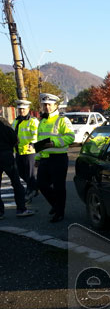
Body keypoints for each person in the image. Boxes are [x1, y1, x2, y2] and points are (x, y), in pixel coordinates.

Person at [35, 93, 75, 223]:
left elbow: (70, 137)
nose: (46, 107)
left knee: (59, 187)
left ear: (56, 105)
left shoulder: (62, 120)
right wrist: (37, 157)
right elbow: (40, 140)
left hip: (58, 158)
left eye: (49, 104)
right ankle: (56, 205)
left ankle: (59, 212)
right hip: (45, 159)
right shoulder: (43, 121)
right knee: (42, 184)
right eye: (44, 104)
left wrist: (54, 142)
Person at [0, 112, 34, 219]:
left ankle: (0, 212)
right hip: (6, 156)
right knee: (16, 183)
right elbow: (16, 139)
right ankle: (21, 209)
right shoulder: (4, 123)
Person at [12, 100, 39, 201]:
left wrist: (32, 144)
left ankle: (29, 192)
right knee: (20, 172)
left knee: (30, 174)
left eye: (23, 108)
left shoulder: (33, 121)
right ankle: (35, 187)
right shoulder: (16, 121)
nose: (21, 110)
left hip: (29, 151)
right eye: (20, 109)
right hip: (18, 151)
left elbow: (36, 134)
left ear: (28, 109)